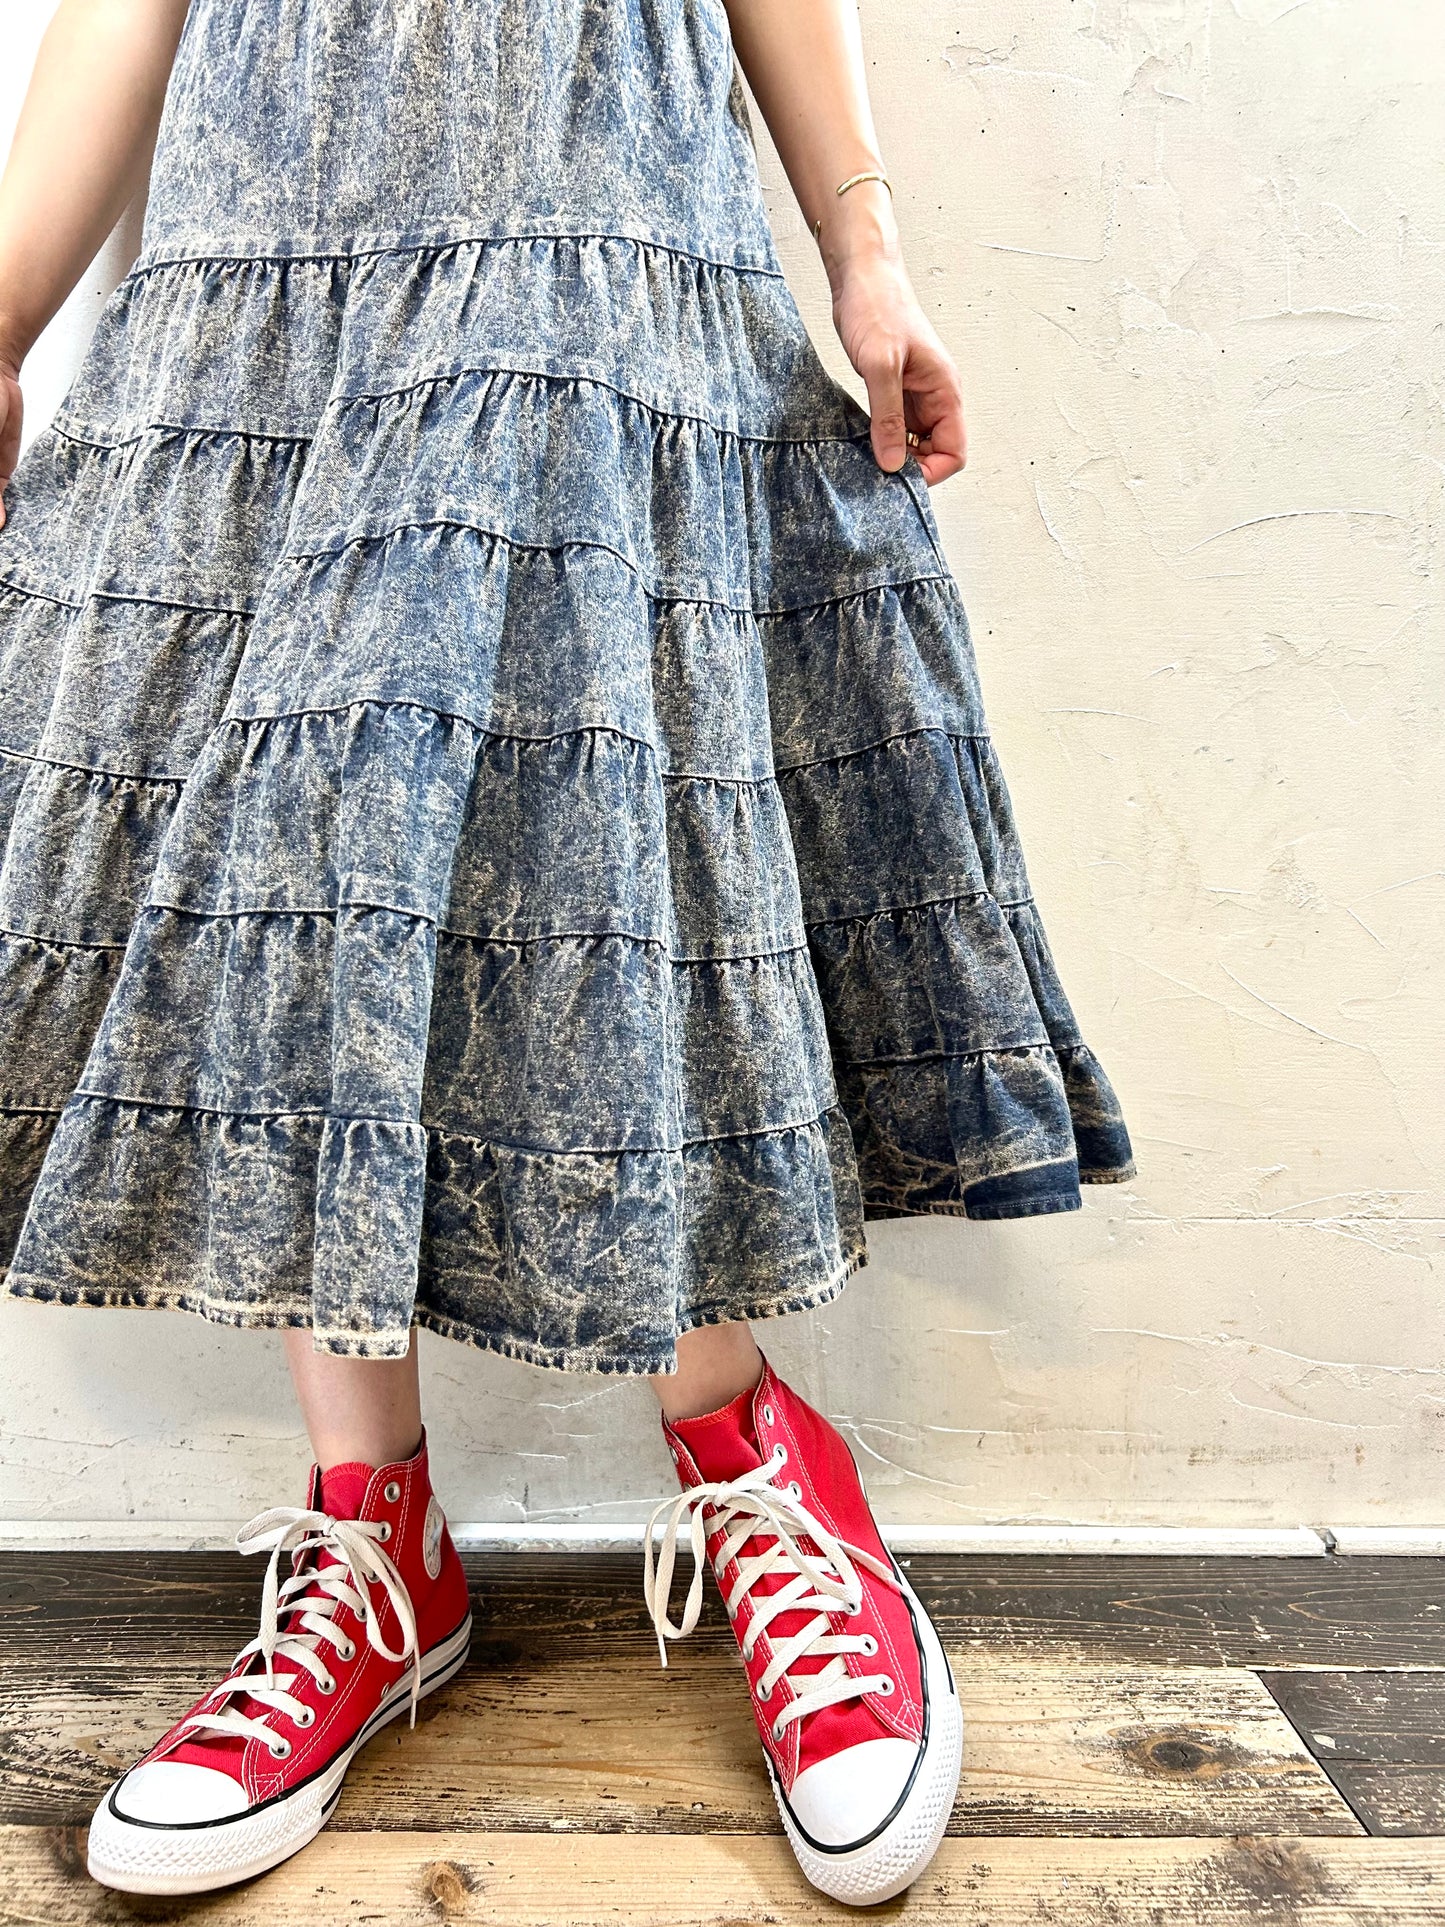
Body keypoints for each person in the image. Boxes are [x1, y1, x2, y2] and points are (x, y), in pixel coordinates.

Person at [0, 0, 1135, 1905]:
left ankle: (754, 1462)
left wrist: (863, 247)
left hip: (586, 185)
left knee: (602, 848)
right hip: (264, 221)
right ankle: (376, 1546)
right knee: (303, 851)